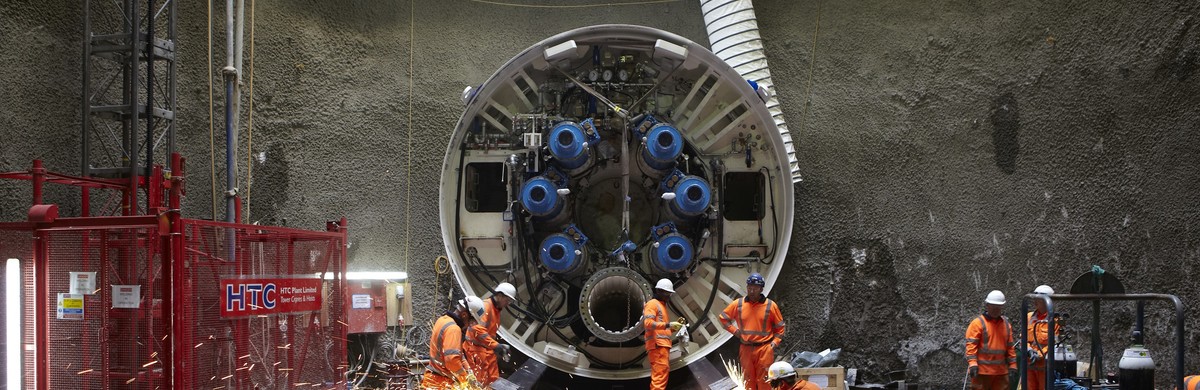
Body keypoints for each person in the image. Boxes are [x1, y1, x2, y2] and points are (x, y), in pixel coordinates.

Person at [719, 273, 786, 390]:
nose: (751, 290)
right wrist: (735, 331)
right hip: (746, 348)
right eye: (749, 287)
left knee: (765, 380)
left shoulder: (770, 306)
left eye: (755, 288)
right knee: (748, 380)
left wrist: (774, 344)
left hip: (764, 349)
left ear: (761, 289)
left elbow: (780, 328)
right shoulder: (738, 304)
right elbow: (723, 318)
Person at [424, 296, 483, 389]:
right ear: (464, 315)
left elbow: (457, 353)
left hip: (433, 379)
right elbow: (452, 361)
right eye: (471, 321)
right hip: (440, 383)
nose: (470, 325)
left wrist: (469, 371)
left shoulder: (443, 320)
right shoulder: (454, 329)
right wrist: (465, 378)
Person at [464, 282, 516, 386]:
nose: (508, 303)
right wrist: (496, 345)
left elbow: (489, 333)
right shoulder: (485, 306)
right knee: (478, 382)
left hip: (486, 350)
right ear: (500, 296)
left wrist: (497, 347)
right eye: (507, 300)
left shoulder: (496, 310)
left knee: (493, 381)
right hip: (475, 350)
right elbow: (477, 329)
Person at [965, 290, 1017, 390]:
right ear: (987, 305)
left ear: (1002, 307)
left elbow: (1010, 347)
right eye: (993, 306)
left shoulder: (1006, 325)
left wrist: (1013, 365)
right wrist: (972, 364)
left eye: (998, 307)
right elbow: (971, 346)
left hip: (1000, 372)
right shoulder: (978, 323)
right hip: (982, 372)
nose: (995, 309)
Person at [643, 278, 684, 390]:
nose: (668, 296)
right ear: (658, 291)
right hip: (657, 346)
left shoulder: (661, 306)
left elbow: (662, 330)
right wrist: (669, 325)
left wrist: (674, 327)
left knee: (662, 374)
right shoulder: (652, 304)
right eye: (666, 293)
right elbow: (648, 323)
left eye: (669, 293)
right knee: (660, 377)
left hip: (662, 346)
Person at [1025, 285, 1060, 390]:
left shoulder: (1056, 320)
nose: (1035, 302)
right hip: (1029, 365)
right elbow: (1023, 338)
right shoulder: (1029, 317)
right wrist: (1028, 349)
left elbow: (1055, 343)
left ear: (1047, 301)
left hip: (1045, 367)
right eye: (1035, 299)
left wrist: (1040, 355)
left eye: (1038, 300)